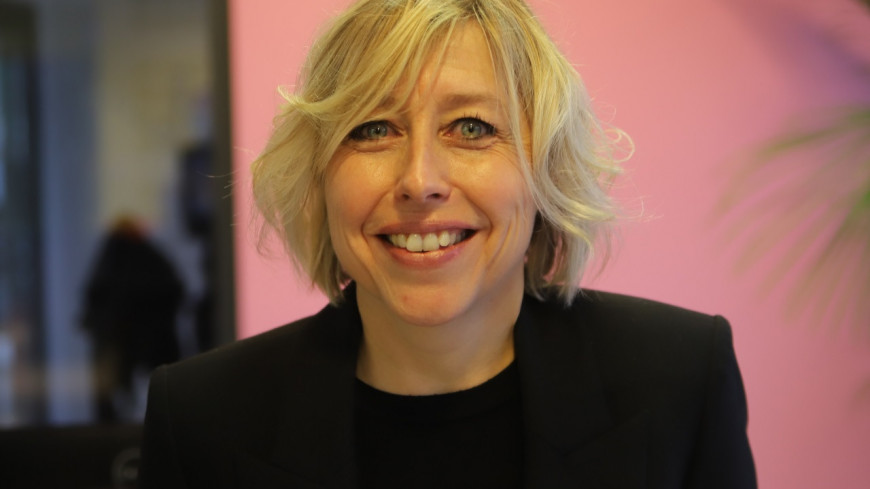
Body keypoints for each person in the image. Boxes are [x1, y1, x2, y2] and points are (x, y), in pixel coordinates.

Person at [138, 0, 757, 487]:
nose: (420, 181)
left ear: (544, 171)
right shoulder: (201, 418)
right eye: (373, 129)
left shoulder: (680, 381)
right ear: (319, 176)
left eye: (471, 127)